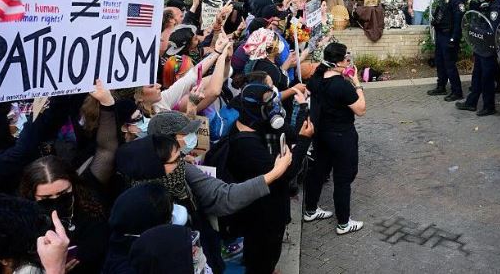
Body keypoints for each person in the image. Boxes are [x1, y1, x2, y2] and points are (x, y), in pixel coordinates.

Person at [115, 133, 291, 273]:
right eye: (175, 160)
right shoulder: (137, 209)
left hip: (206, 251)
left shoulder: (182, 173)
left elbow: (224, 196)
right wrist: (275, 173)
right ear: (153, 167)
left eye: (181, 157)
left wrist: (274, 174)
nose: (182, 163)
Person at [226, 77, 314, 273]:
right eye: (268, 105)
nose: (274, 110)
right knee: (263, 251)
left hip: (273, 204)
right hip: (262, 212)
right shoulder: (246, 145)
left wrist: (302, 109)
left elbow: (291, 133)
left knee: (269, 249)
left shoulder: (259, 123)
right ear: (255, 108)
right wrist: (304, 142)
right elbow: (286, 172)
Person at [304, 43, 366, 235]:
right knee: (343, 178)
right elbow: (361, 109)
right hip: (342, 135)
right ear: (339, 62)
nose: (348, 61)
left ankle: (311, 209)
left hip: (321, 133)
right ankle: (343, 223)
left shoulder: (316, 78)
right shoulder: (341, 85)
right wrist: (357, 83)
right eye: (345, 59)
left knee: (318, 171)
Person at [456, 0, 500, 117]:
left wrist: (477, 30)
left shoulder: (495, 7)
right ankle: (471, 102)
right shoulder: (484, 5)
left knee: (487, 78)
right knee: (477, 75)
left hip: (489, 48)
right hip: (480, 47)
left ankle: (489, 106)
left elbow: (492, 30)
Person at [427, 0, 466, 101]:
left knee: (450, 64)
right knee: (440, 62)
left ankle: (457, 91)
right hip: (441, 34)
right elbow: (441, 11)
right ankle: (441, 86)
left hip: (449, 35)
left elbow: (458, 21)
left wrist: (454, 38)